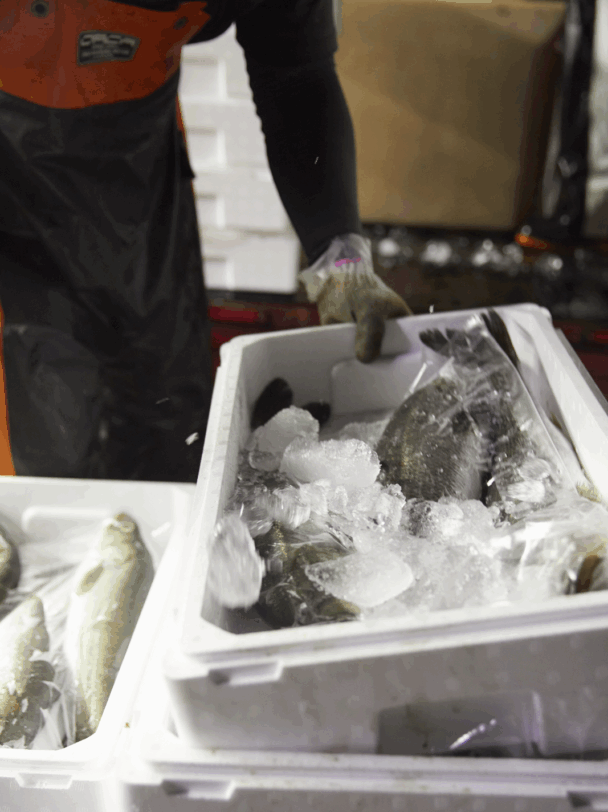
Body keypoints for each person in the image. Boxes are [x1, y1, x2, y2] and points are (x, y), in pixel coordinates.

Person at [0, 0, 410, 483]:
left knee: (170, 419)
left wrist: (340, 259)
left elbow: (296, 75)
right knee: (42, 439)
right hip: (10, 177)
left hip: (138, 173)